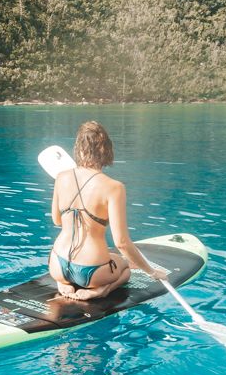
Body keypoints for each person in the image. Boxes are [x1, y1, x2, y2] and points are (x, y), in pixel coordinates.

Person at [48, 121, 168, 300]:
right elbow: (121, 243)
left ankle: (65, 283)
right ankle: (102, 290)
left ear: (78, 149)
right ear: (106, 151)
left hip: (57, 264)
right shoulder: (114, 187)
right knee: (126, 267)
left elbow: (57, 221)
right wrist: (151, 272)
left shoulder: (61, 177)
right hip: (91, 272)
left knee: (112, 257)